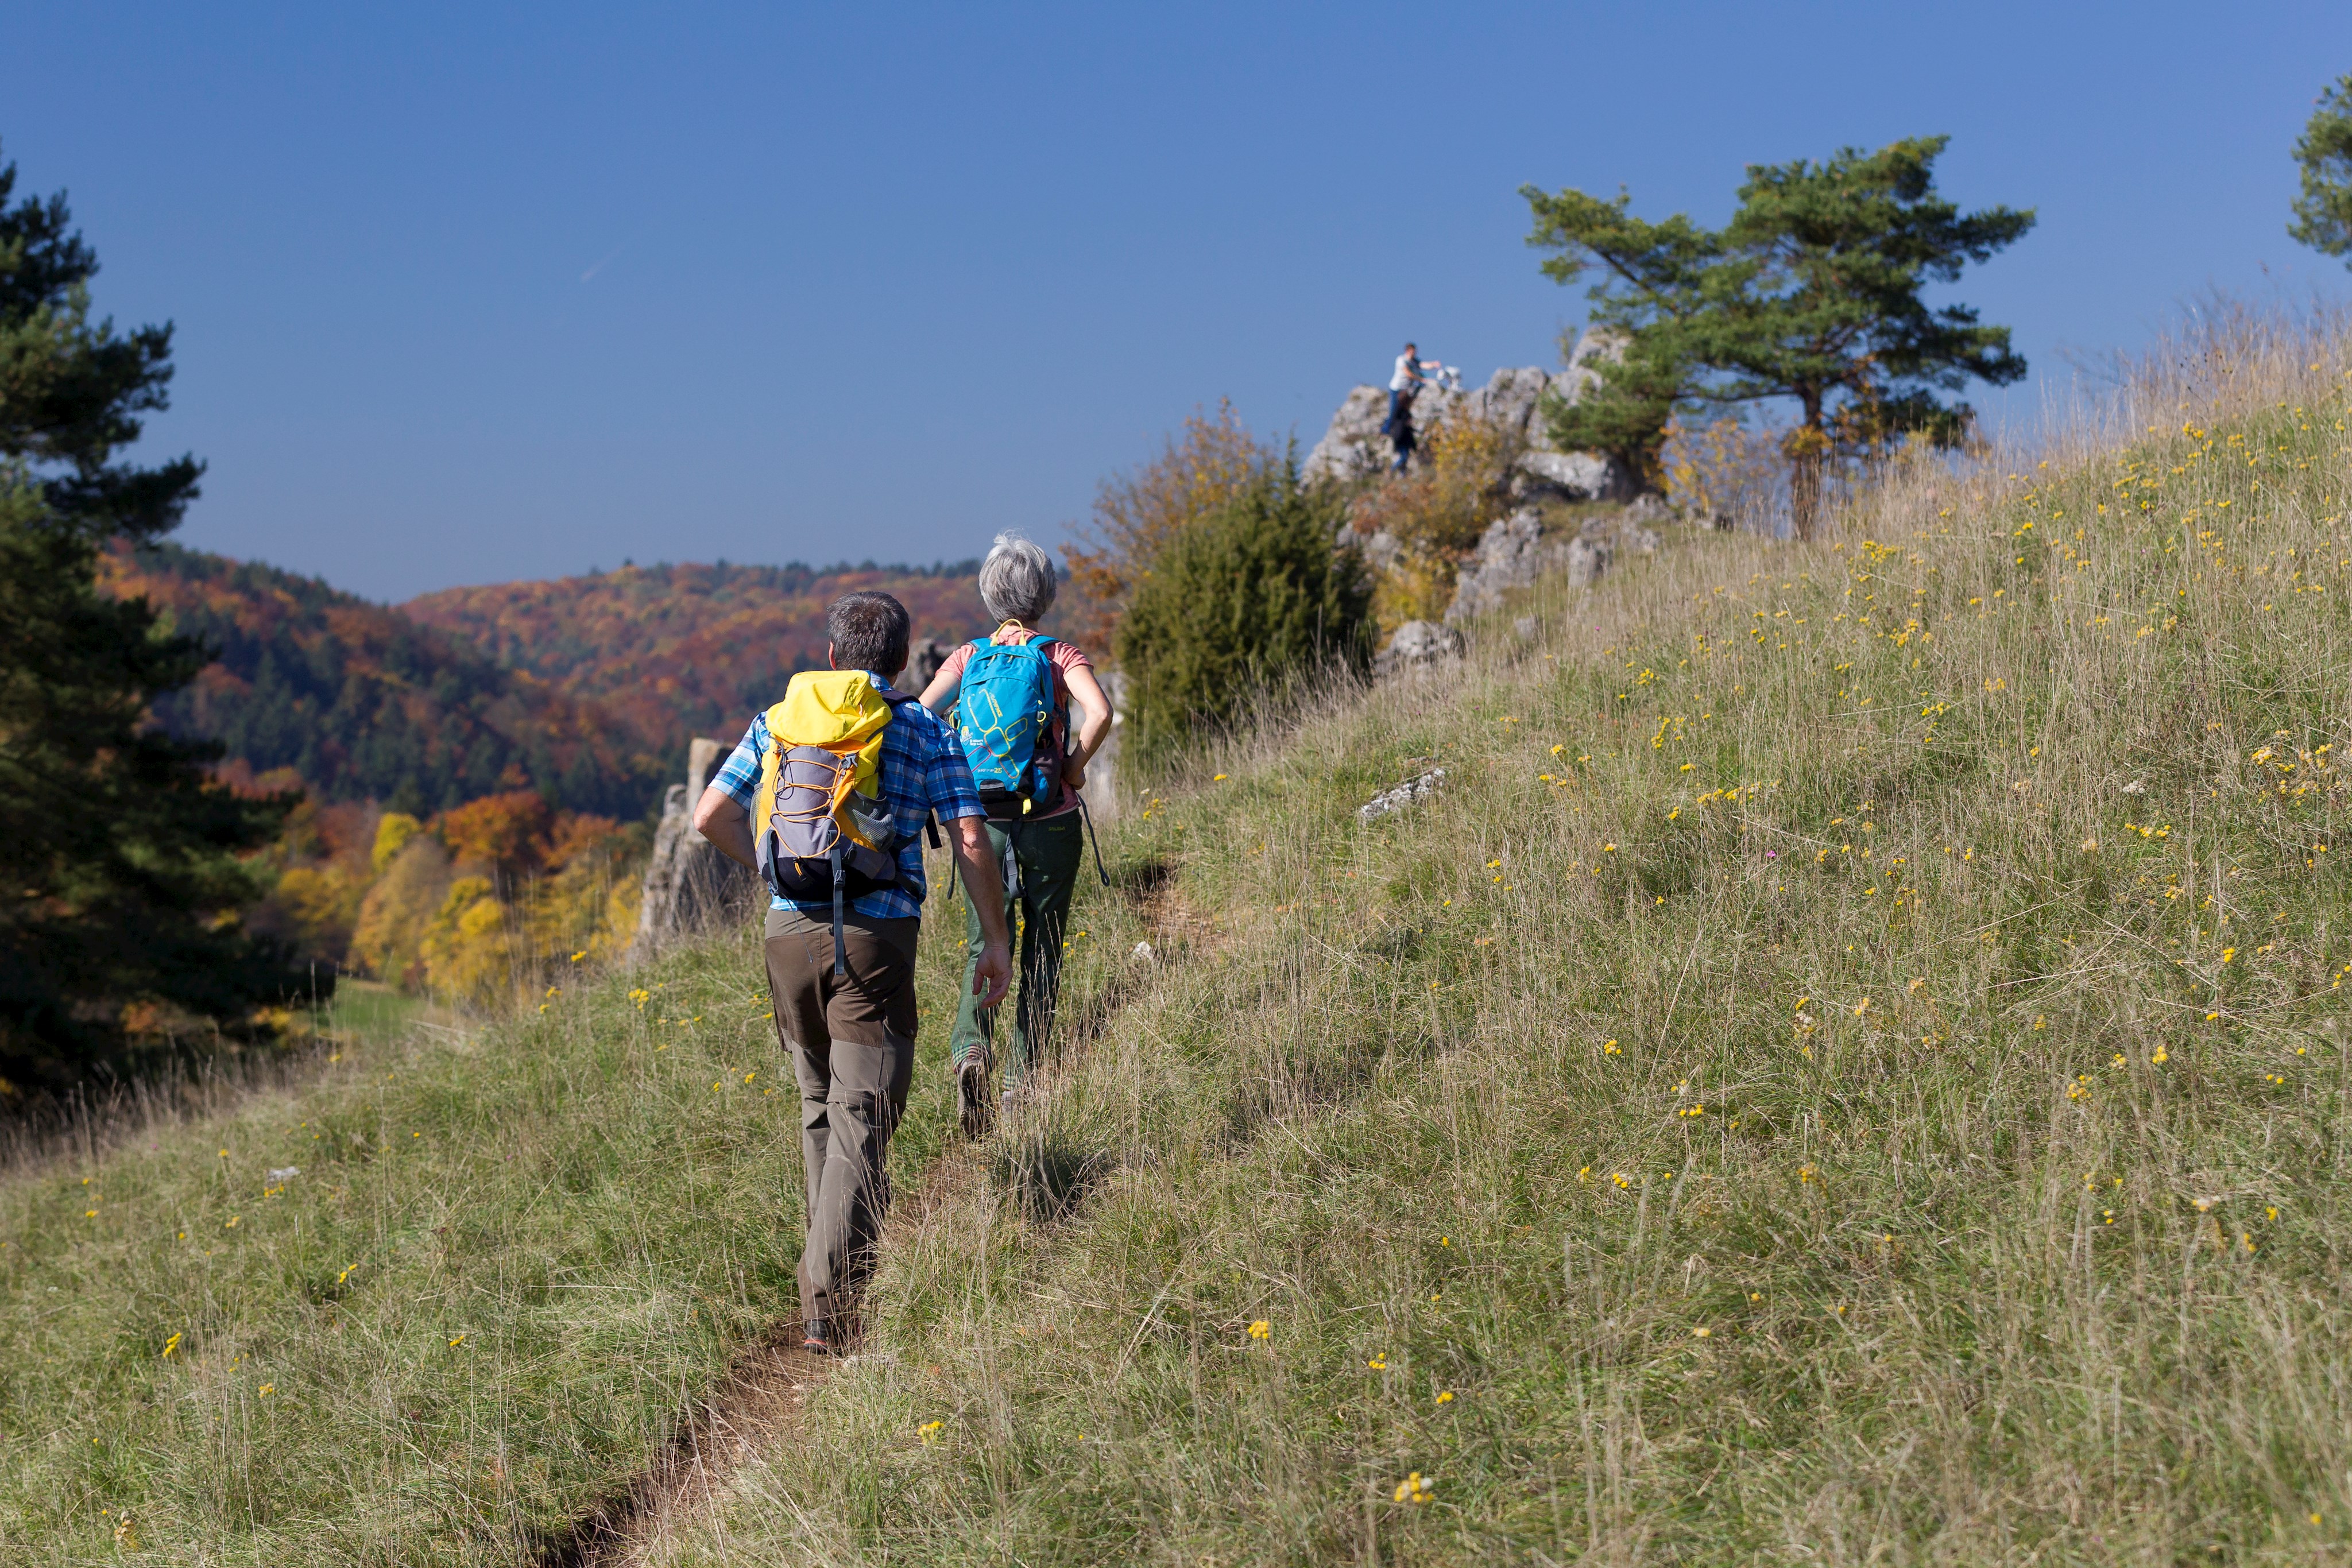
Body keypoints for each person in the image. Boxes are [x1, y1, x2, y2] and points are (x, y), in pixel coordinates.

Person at [694, 590, 1012, 1355]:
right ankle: (829, 1293)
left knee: (819, 1099)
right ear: (903, 662)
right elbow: (969, 836)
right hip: (874, 934)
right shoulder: (919, 727)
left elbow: (710, 815)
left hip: (787, 931)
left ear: (833, 656)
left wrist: (772, 870)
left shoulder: (778, 721)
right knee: (863, 1112)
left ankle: (833, 1266)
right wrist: (995, 939)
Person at [918, 532, 1115, 1136]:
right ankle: (1021, 1083)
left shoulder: (968, 656)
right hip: (1050, 817)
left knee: (987, 938)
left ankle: (972, 1049)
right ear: (1045, 595)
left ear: (988, 593)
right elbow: (1102, 713)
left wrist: (950, 782)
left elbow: (922, 715)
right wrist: (1075, 766)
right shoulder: (1059, 655)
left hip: (985, 820)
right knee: (1045, 944)